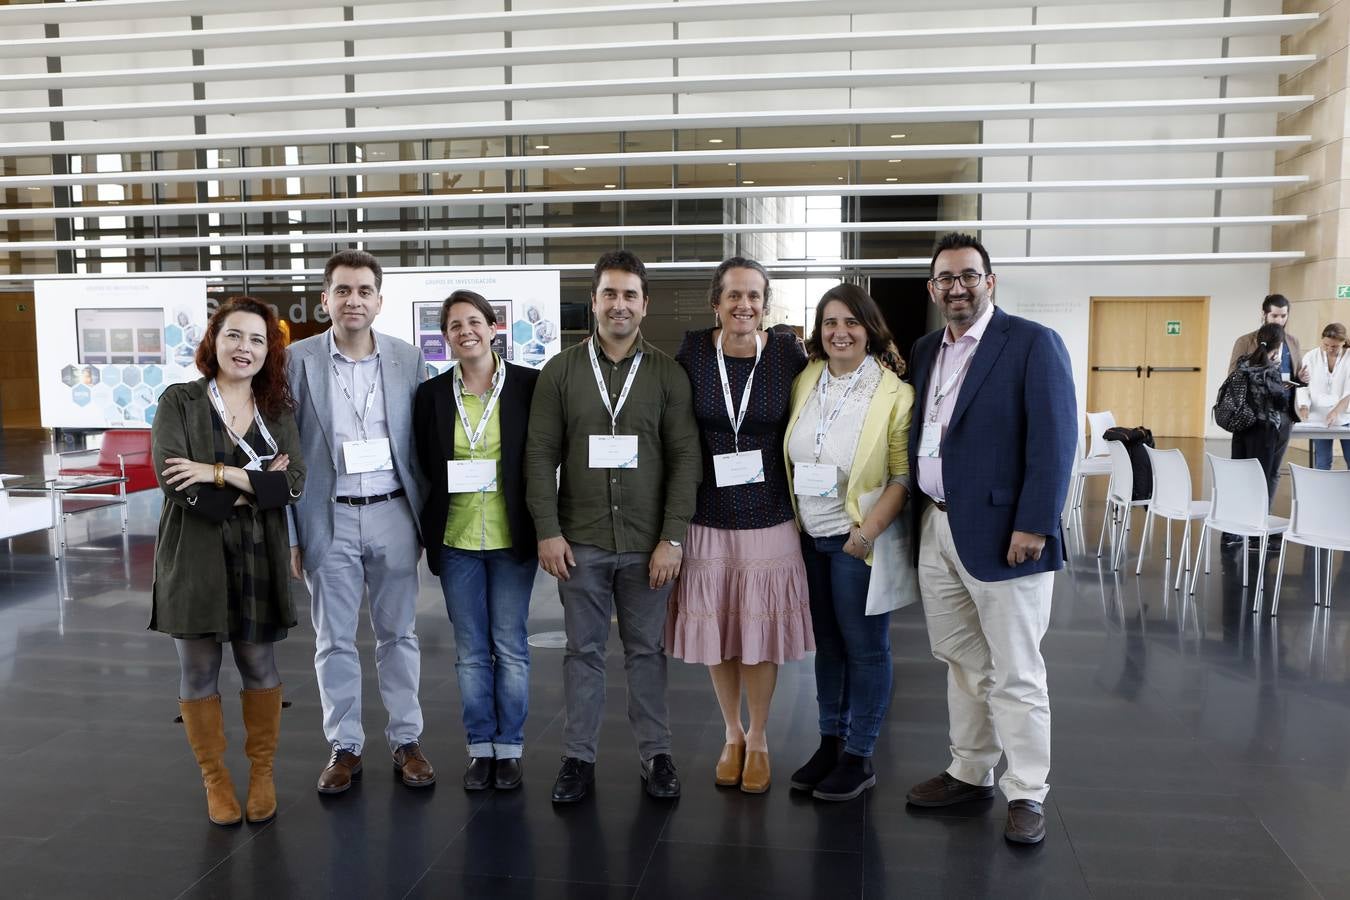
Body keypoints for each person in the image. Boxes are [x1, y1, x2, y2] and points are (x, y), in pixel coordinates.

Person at [902, 233, 1076, 846]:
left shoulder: (1031, 343)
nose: (957, 287)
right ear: (933, 288)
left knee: (1017, 670)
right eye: (946, 278)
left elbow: (1055, 442)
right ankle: (970, 770)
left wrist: (1034, 523)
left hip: (1008, 534)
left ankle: (1027, 789)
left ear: (990, 281)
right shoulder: (927, 350)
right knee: (961, 662)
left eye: (968, 276)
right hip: (938, 525)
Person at [525, 249, 701, 804]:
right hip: (580, 542)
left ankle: (657, 754)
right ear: (594, 301)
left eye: (629, 294)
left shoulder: (668, 374)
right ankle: (579, 758)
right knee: (583, 652)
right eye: (609, 293)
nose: (619, 304)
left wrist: (673, 537)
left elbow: (685, 459)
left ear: (644, 305)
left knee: (647, 651)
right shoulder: (560, 371)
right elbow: (538, 455)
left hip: (651, 544)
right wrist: (547, 530)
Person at [150, 296, 305, 826]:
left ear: (270, 352)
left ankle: (261, 773)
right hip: (192, 553)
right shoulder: (180, 402)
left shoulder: (276, 411)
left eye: (258, 340)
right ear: (214, 341)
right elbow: (175, 482)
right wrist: (256, 484)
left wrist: (216, 472)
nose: (245, 348)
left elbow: (294, 484)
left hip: (258, 554)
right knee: (198, 669)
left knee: (258, 662)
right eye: (235, 335)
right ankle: (215, 780)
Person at [286, 249, 434, 794]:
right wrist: (293, 533)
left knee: (400, 634)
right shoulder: (297, 360)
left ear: (379, 299)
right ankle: (344, 745)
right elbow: (286, 452)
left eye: (364, 291)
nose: (354, 300)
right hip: (329, 517)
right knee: (334, 640)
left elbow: (420, 442)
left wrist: (423, 523)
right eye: (343, 290)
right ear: (325, 299)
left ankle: (406, 740)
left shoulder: (406, 358)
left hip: (394, 512)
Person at [665, 257, 812, 794]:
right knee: (721, 631)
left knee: (760, 635)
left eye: (753, 296)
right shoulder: (692, 352)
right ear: (716, 303)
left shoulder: (789, 354)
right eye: (733, 296)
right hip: (708, 515)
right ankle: (731, 735)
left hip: (771, 515)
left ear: (765, 304)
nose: (743, 305)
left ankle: (761, 737)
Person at [782, 283, 913, 802]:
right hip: (809, 536)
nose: (840, 332)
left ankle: (859, 755)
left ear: (869, 329)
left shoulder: (892, 393)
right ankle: (829, 743)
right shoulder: (807, 377)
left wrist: (866, 534)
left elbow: (903, 476)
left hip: (855, 539)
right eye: (830, 322)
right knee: (828, 646)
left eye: (851, 323)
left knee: (865, 649)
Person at [413, 290, 540, 791]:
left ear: (493, 327)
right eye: (453, 326)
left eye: (473, 322)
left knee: (509, 646)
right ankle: (479, 747)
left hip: (512, 537)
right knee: (469, 650)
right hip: (457, 537)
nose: (465, 331)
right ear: (445, 338)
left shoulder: (529, 386)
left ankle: (509, 747)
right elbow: (425, 461)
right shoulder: (432, 396)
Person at [1224, 294, 1306, 547]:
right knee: (1246, 470)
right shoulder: (1246, 341)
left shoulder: (1292, 341)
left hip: (1282, 415)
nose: (1280, 320)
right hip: (1252, 415)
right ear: (1264, 314)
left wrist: (1301, 380)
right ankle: (1236, 524)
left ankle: (1262, 522)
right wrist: (1265, 379)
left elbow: (1296, 376)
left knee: (1272, 472)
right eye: (1274, 316)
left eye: (1283, 316)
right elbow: (1234, 377)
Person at [1233, 324, 1297, 493]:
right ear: (1277, 347)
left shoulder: (1242, 363)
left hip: (1240, 426)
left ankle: (1237, 515)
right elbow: (1280, 403)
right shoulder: (1270, 371)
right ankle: (1257, 518)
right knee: (1260, 479)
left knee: (1239, 475)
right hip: (1263, 432)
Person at [1296, 322, 1350, 469]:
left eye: (1334, 346)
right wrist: (1303, 405)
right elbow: (1303, 385)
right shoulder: (1310, 356)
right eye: (1326, 345)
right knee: (1322, 461)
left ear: (1343, 343)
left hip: (1345, 416)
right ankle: (1322, 490)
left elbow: (1348, 392)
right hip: (1319, 418)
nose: (1329, 349)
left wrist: (1336, 411)